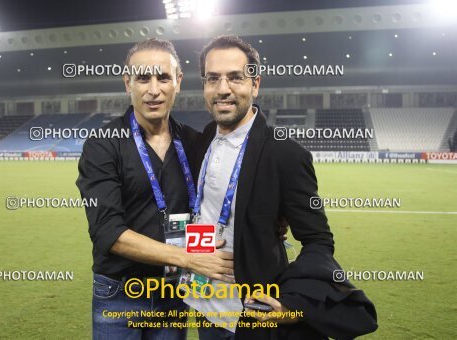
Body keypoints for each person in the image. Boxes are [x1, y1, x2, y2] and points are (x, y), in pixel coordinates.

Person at [185, 35, 377, 340]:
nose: (223, 89)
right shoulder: (205, 138)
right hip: (202, 301)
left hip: (250, 318)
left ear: (255, 84)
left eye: (235, 77)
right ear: (204, 86)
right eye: (213, 79)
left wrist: (293, 306)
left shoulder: (286, 153)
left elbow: (318, 241)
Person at [76, 38, 234, 340]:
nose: (153, 89)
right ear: (127, 83)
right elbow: (108, 232)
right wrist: (187, 258)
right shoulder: (102, 144)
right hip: (121, 293)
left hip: (173, 292)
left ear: (178, 81)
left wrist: (278, 216)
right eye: (142, 78)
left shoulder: (194, 142)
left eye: (163, 77)